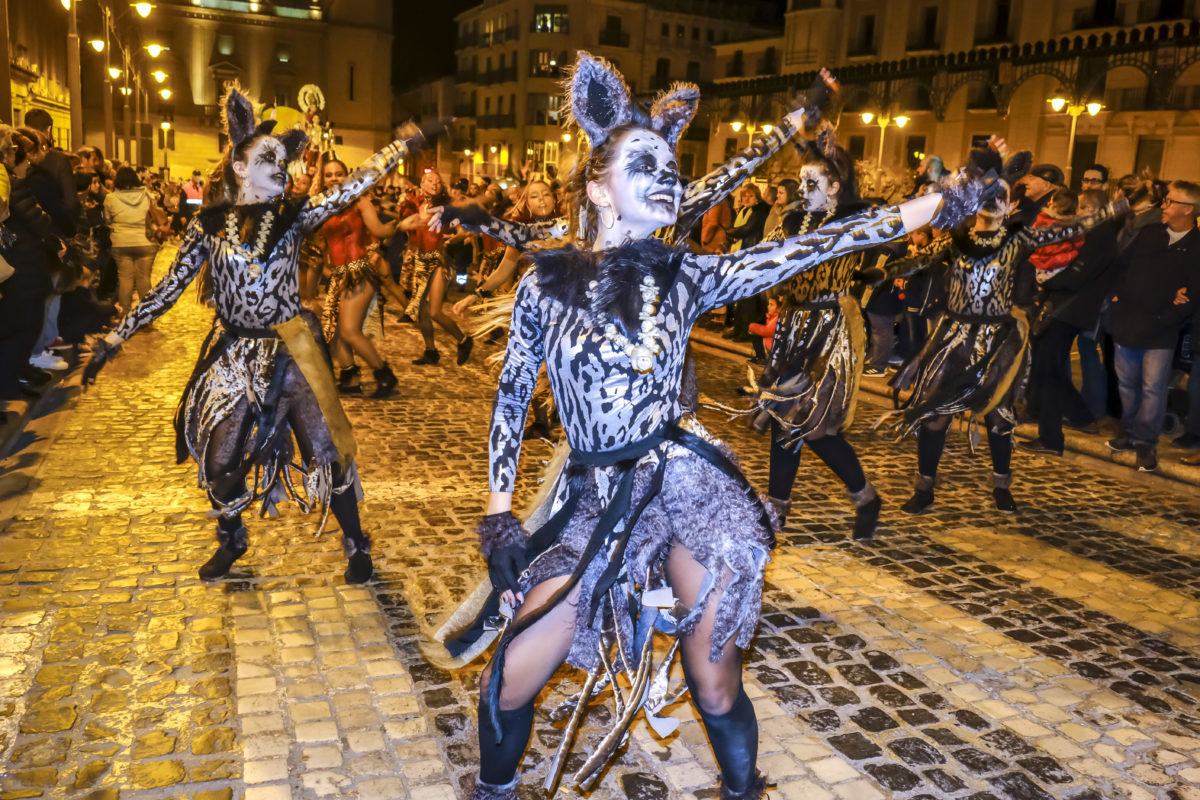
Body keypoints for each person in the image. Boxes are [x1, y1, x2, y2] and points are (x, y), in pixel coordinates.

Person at [432, 53, 946, 800]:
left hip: (684, 487)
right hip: (590, 497)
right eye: (646, 163)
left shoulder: (689, 273)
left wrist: (937, 208)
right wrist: (499, 514)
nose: (668, 176)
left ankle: (743, 792)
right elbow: (512, 397)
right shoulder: (548, 281)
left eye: (673, 165)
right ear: (599, 187)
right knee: (512, 673)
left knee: (714, 679)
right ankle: (496, 790)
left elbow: (818, 244)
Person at [82, 83, 422, 584]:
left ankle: (355, 545)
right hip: (235, 353)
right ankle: (232, 537)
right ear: (240, 168)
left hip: (295, 349)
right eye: (269, 157)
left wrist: (401, 146)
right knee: (219, 460)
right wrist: (115, 339)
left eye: (284, 159)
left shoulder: (296, 216)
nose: (280, 165)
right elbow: (167, 291)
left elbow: (355, 185)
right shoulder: (207, 225)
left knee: (326, 451)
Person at [875, 142, 1126, 513]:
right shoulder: (957, 241)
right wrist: (877, 273)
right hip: (953, 337)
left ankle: (1001, 486)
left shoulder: (1017, 239)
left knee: (999, 417)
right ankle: (925, 488)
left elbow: (1067, 229)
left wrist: (1111, 211)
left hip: (997, 339)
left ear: (1008, 205)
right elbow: (916, 262)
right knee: (935, 415)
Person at [751, 138, 892, 540]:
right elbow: (762, 259)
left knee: (813, 428)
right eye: (800, 181)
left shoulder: (854, 219)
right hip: (795, 327)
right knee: (785, 420)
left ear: (834, 186)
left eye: (812, 182)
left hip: (830, 332)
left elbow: (898, 231)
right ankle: (778, 511)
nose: (802, 189)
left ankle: (865, 497)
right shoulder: (792, 221)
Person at [1105, 180, 1200, 472]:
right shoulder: (1149, 233)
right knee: (1128, 384)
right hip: (1128, 323)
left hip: (1161, 331)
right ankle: (1129, 431)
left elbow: (1192, 294)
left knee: (1153, 388)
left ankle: (1145, 441)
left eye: (1170, 201)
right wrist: (1117, 299)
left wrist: (1167, 316)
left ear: (1188, 209)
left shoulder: (1196, 246)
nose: (1164, 206)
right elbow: (1120, 267)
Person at [1021, 189, 1119, 455]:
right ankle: (1074, 420)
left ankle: (1054, 436)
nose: (1077, 214)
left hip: (1071, 309)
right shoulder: (1094, 233)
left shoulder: (1101, 235)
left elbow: (1078, 273)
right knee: (1047, 370)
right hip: (1063, 307)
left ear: (1091, 210)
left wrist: (1047, 280)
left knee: (1049, 372)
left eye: (1081, 208)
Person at [317, 156, 399, 398]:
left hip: (359, 272)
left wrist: (400, 224)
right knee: (332, 331)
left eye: (338, 173)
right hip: (338, 275)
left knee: (350, 331)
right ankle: (350, 377)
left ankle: (385, 375)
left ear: (347, 176)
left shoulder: (360, 201)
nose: (334, 178)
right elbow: (320, 243)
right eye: (329, 174)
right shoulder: (321, 206)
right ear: (323, 179)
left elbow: (378, 230)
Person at [397, 169, 473, 366]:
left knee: (434, 311)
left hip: (440, 260)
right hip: (421, 260)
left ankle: (463, 340)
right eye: (430, 180)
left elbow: (463, 231)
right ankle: (430, 350)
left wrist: (451, 239)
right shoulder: (416, 205)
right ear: (422, 184)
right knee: (422, 310)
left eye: (438, 181)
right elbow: (406, 227)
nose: (435, 184)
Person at [103, 166, 161, 316]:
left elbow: (107, 219)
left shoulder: (111, 198)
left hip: (121, 243)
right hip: (145, 241)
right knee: (144, 278)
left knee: (125, 278)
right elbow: (154, 214)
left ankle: (125, 314)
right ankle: (146, 315)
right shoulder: (147, 195)